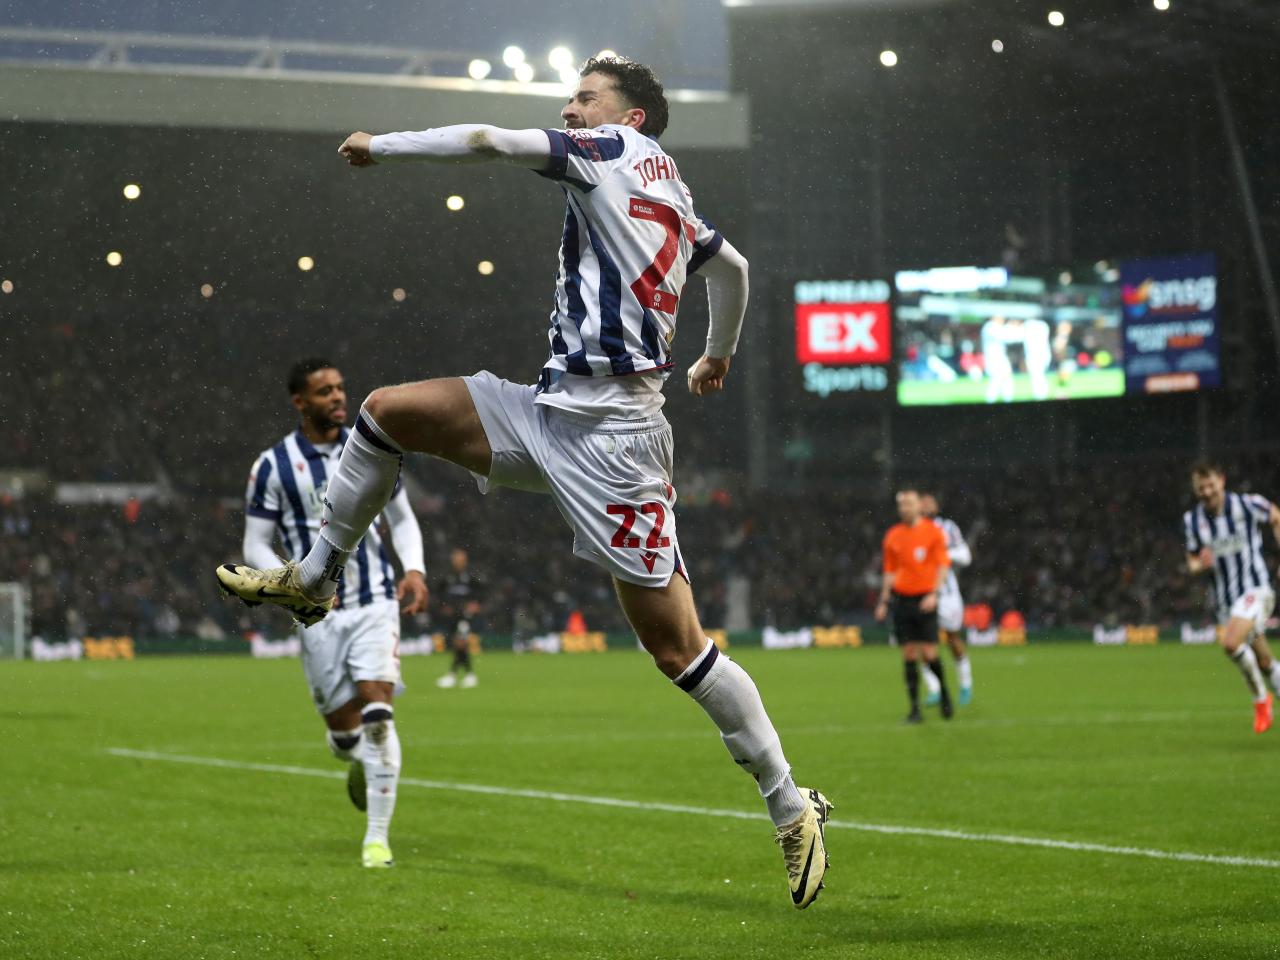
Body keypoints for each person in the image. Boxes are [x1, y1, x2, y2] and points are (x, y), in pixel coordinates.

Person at [217, 57, 832, 908]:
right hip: (546, 411)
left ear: (632, 117)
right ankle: (316, 578)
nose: (570, 108)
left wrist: (381, 147)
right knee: (385, 413)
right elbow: (735, 270)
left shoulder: (607, 151)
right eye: (571, 97)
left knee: (678, 649)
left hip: (615, 444)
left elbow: (485, 139)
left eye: (586, 96)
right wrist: (716, 356)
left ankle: (791, 805)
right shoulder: (675, 191)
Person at [228, 358, 429, 868]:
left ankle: (376, 842)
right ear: (300, 402)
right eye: (325, 391)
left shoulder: (373, 447)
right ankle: (358, 757)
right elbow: (255, 543)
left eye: (341, 388)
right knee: (344, 736)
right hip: (316, 614)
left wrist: (414, 569)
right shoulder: (272, 466)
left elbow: (402, 517)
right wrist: (292, 583)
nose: (338, 397)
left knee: (378, 713)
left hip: (375, 600)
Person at [1183, 461, 1280, 733]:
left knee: (1230, 643)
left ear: (1222, 481)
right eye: (1201, 488)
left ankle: (1261, 700)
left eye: (1210, 485)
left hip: (1256, 590)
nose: (1206, 492)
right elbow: (1191, 561)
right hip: (1227, 602)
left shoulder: (1248, 505)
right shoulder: (1193, 521)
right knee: (1264, 662)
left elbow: (1276, 517)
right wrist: (1200, 565)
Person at [875, 487, 952, 723]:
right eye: (901, 504)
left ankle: (944, 692)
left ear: (919, 505)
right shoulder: (893, 535)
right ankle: (915, 710)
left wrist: (934, 594)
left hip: (925, 599)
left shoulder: (934, 532)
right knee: (908, 654)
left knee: (929, 653)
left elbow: (943, 565)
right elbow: (889, 571)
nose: (905, 508)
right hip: (902, 600)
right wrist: (884, 600)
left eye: (909, 503)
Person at [919, 493, 975, 706]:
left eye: (930, 502)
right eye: (923, 502)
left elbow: (966, 556)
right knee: (924, 642)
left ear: (937, 506)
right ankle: (934, 689)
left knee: (953, 639)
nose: (927, 505)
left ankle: (965, 684)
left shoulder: (948, 527)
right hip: (921, 593)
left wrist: (942, 554)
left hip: (947, 594)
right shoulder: (912, 531)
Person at [436, 547, 484, 689]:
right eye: (456, 559)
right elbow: (439, 593)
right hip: (453, 616)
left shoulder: (471, 577)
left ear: (465, 561)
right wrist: (444, 606)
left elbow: (481, 593)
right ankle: (466, 675)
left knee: (460, 643)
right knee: (458, 644)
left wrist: (476, 604)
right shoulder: (447, 577)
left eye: (460, 559)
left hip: (466, 616)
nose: (458, 562)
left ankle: (457, 675)